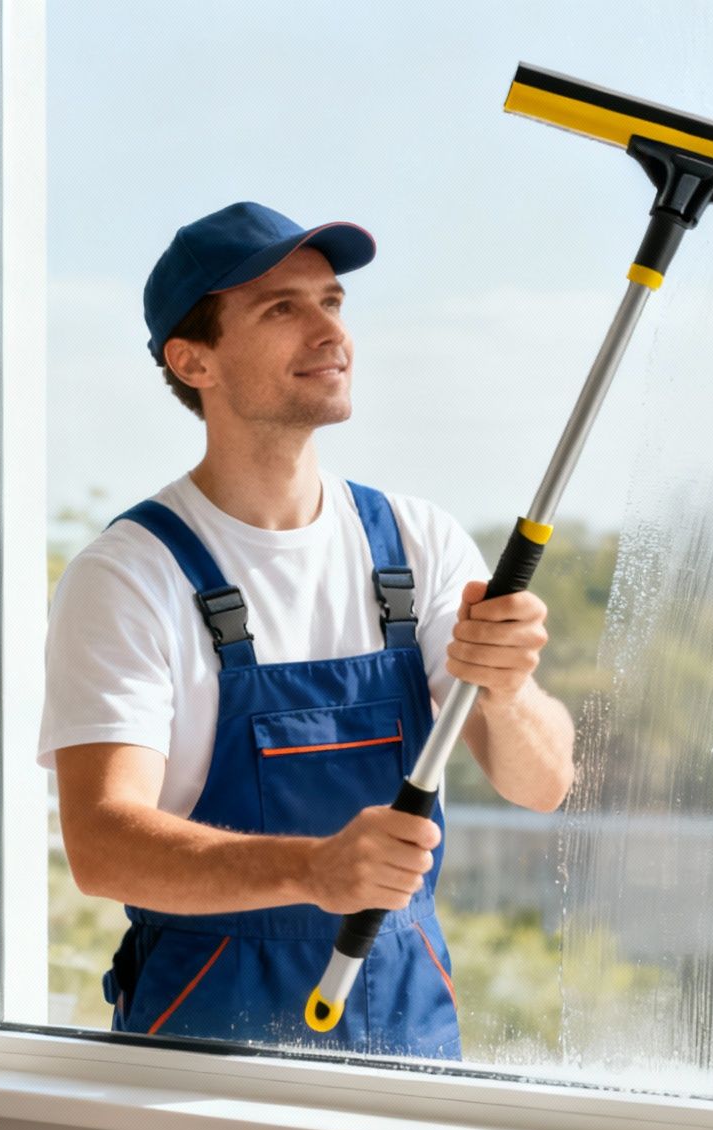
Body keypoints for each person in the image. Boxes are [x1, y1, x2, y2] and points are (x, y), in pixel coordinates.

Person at [39, 202, 576, 1057]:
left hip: (406, 1012)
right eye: (281, 309)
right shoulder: (130, 574)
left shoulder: (416, 542)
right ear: (193, 359)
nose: (329, 331)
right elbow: (103, 844)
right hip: (208, 1036)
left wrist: (507, 691)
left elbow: (541, 784)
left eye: (331, 301)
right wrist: (311, 870)